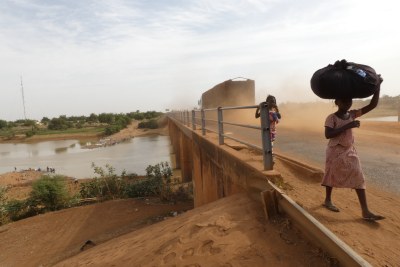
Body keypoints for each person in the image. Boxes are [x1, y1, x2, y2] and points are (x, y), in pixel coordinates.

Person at [322, 77, 385, 221]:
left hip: (349, 150)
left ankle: (365, 211)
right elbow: (328, 134)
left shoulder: (352, 114)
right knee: (331, 175)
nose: (347, 103)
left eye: (349, 101)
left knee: (358, 175)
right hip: (334, 151)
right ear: (337, 102)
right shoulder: (331, 118)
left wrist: (378, 87)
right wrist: (347, 126)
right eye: (344, 101)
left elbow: (372, 105)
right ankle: (327, 200)